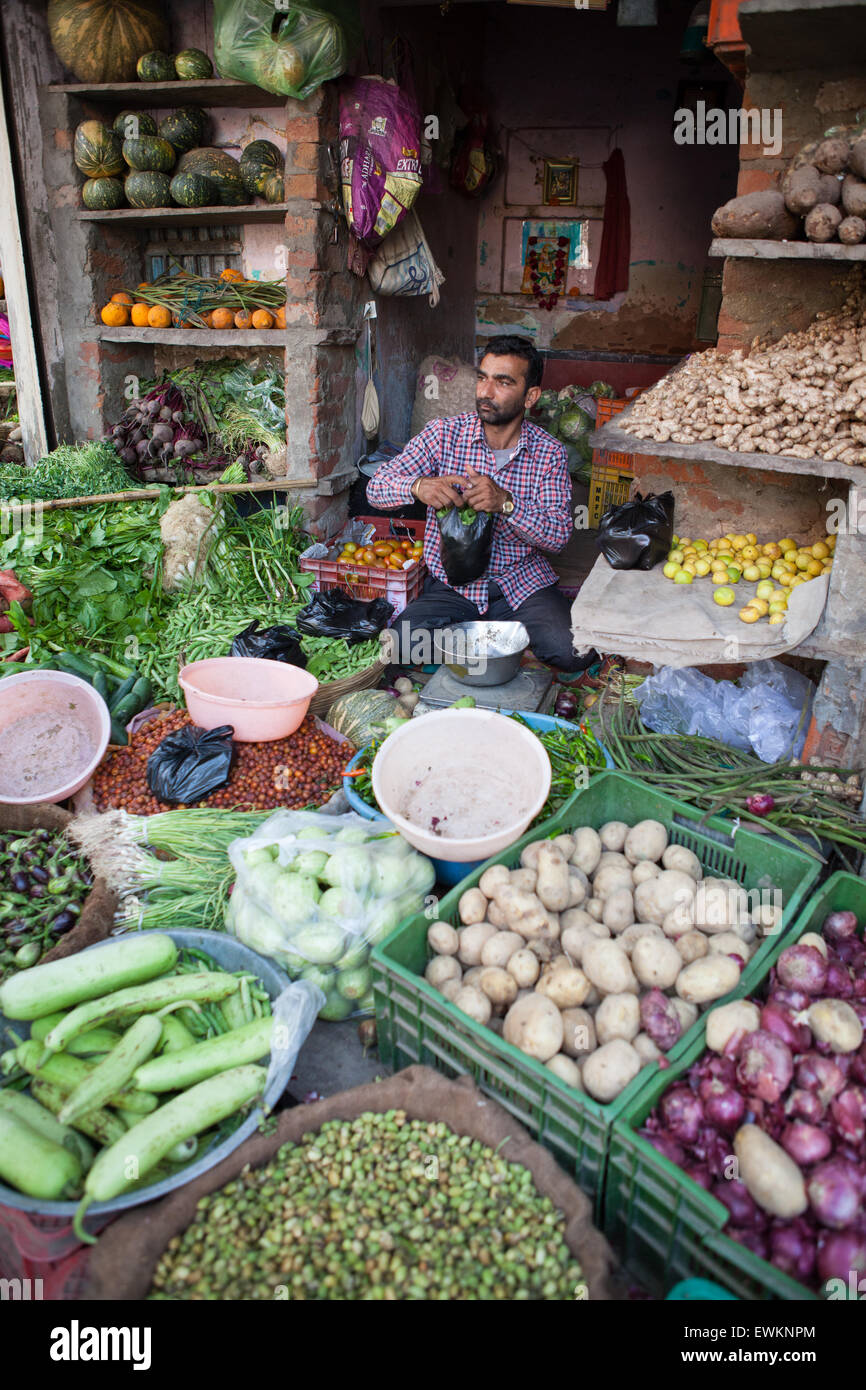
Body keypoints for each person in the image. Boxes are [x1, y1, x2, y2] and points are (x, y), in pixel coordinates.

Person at [366, 334, 594, 672]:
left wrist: (507, 503)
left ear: (530, 396)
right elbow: (376, 487)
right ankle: (495, 643)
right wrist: (418, 486)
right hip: (453, 586)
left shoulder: (549, 453)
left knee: (572, 653)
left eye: (503, 382)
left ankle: (481, 641)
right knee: (401, 646)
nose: (486, 392)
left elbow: (559, 536)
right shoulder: (442, 434)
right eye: (482, 378)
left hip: (520, 585)